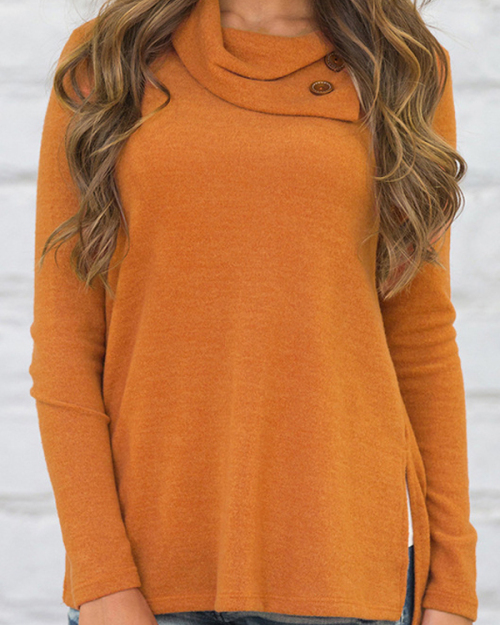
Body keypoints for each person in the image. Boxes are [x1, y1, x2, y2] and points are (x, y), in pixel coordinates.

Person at [28, 0, 479, 624]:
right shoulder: (108, 59)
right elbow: (65, 341)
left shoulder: (402, 65)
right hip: (149, 574)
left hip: (341, 570)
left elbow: (421, 335)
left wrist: (452, 586)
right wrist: (101, 578)